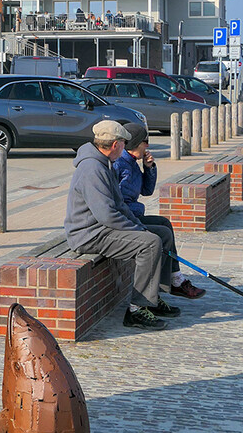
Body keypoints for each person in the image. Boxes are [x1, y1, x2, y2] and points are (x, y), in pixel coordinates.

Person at [64, 120, 179, 331]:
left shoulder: (103, 163)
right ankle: (137, 311)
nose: (126, 148)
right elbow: (107, 214)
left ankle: (153, 298)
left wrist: (137, 225)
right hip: (88, 233)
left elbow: (120, 206)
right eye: (124, 144)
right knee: (150, 243)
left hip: (100, 228)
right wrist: (137, 230)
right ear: (116, 145)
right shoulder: (93, 168)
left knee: (158, 234)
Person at [112, 123, 206, 298]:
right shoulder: (119, 164)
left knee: (164, 223)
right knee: (162, 234)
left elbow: (147, 191)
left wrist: (149, 169)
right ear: (134, 144)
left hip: (133, 215)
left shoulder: (132, 162)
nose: (147, 145)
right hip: (124, 218)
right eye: (145, 141)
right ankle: (164, 287)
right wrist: (136, 210)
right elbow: (116, 202)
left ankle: (175, 279)